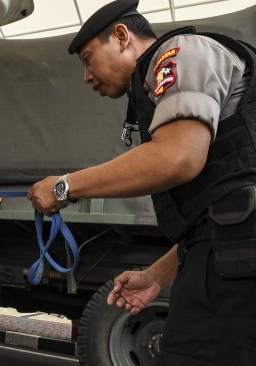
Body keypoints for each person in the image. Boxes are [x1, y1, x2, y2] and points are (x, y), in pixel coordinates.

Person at [26, 0, 256, 364]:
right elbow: (220, 210)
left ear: (121, 36)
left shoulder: (178, 54)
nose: (86, 76)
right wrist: (155, 276)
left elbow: (176, 157)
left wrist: (63, 187)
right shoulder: (154, 90)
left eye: (88, 59)